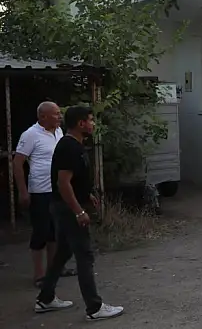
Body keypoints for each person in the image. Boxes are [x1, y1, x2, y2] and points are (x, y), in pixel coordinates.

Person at [35, 105, 124, 320]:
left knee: (63, 253)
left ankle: (45, 298)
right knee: (84, 255)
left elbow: (75, 180)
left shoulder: (75, 145)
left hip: (66, 206)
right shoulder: (69, 147)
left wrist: (87, 194)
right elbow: (63, 183)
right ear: (80, 123)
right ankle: (94, 307)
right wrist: (78, 211)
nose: (93, 124)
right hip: (67, 208)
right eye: (90, 120)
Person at [14, 101, 76, 288]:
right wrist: (23, 191)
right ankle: (39, 275)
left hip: (57, 189)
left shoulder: (58, 132)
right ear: (43, 117)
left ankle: (53, 269)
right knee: (41, 232)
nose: (60, 117)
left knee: (55, 233)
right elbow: (17, 163)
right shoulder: (31, 134)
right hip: (40, 190)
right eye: (56, 114)